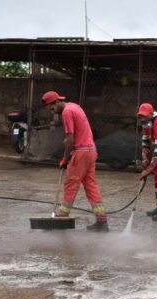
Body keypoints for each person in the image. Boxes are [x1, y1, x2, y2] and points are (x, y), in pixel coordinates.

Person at [42, 91, 108, 232]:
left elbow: (70, 139)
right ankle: (102, 222)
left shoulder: (66, 112)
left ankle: (62, 220)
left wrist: (65, 158)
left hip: (81, 153)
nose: (52, 112)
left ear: (57, 102)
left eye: (52, 108)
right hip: (91, 151)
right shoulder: (74, 106)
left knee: (71, 184)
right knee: (91, 186)